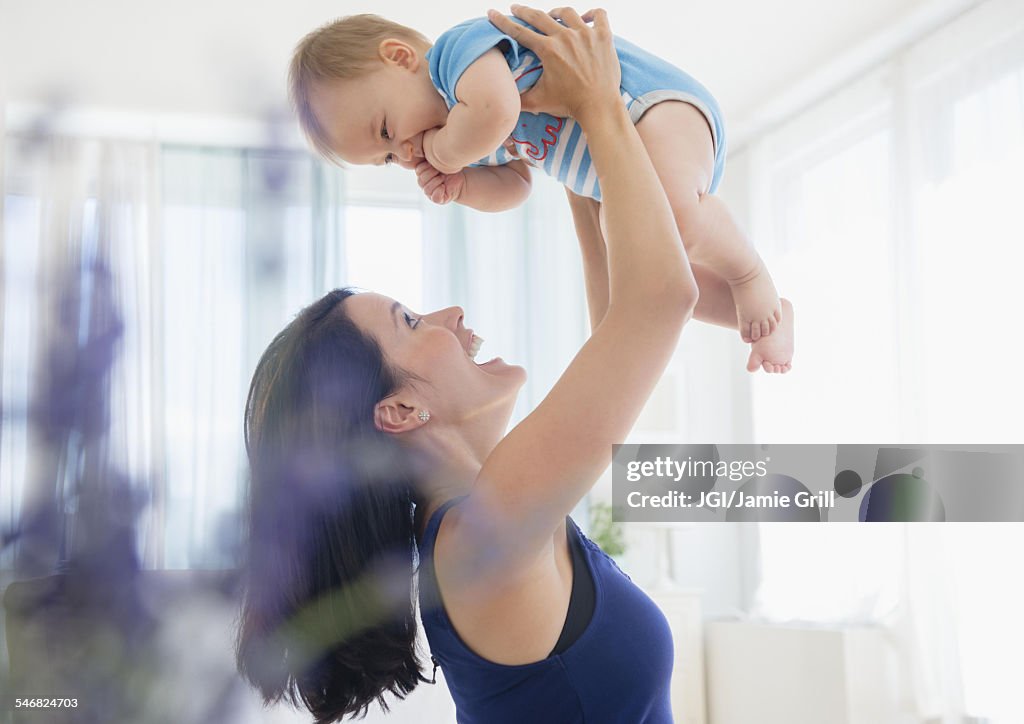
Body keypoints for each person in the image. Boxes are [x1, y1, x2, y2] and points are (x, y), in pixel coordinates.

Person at [236, 7, 737, 723]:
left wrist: (572, 161)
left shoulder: (482, 523)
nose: (448, 315)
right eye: (411, 322)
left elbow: (623, 321)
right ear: (400, 411)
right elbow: (657, 301)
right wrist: (597, 106)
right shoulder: (483, 537)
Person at [287, 7, 794, 373]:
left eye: (385, 131)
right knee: (639, 271)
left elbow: (498, 111)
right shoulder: (464, 133)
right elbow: (516, 186)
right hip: (615, 166)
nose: (404, 151)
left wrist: (446, 154)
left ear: (400, 57)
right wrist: (465, 186)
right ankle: (755, 317)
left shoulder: (456, 57)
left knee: (675, 220)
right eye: (388, 157)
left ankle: (747, 273)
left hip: (653, 110)